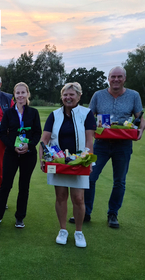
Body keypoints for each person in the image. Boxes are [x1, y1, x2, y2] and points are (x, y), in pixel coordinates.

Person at [77, 66, 145, 228]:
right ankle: (85, 212)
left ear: (124, 79)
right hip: (100, 144)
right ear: (108, 78)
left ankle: (113, 214)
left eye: (119, 77)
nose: (116, 79)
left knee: (119, 181)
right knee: (90, 177)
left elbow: (140, 118)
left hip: (123, 144)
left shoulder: (133, 95)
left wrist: (141, 130)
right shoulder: (98, 95)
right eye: (113, 76)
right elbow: (89, 117)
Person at [39, 82, 96, 248]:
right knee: (61, 196)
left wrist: (88, 161)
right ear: (61, 97)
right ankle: (63, 230)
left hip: (79, 162)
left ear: (79, 96)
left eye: (72, 94)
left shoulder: (87, 114)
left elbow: (89, 141)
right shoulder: (54, 115)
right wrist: (42, 159)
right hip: (58, 161)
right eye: (65, 95)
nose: (68, 97)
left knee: (78, 198)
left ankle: (79, 232)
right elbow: (44, 140)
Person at [0, 82, 41, 228]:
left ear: (27, 94)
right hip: (11, 154)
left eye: (23, 92)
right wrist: (13, 146)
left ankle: (20, 217)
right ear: (14, 95)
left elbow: (37, 133)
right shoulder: (8, 113)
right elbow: (2, 133)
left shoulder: (33, 112)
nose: (20, 95)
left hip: (28, 154)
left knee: (24, 186)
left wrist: (29, 145)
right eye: (17, 93)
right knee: (6, 185)